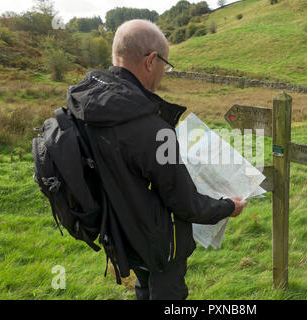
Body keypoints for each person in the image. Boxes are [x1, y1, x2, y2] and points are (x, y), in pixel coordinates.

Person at [66, 19, 248, 300]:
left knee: (143, 287)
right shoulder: (151, 127)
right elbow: (185, 203)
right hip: (160, 243)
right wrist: (228, 207)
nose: (165, 72)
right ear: (151, 61)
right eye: (166, 63)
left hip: (120, 231)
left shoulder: (84, 104)